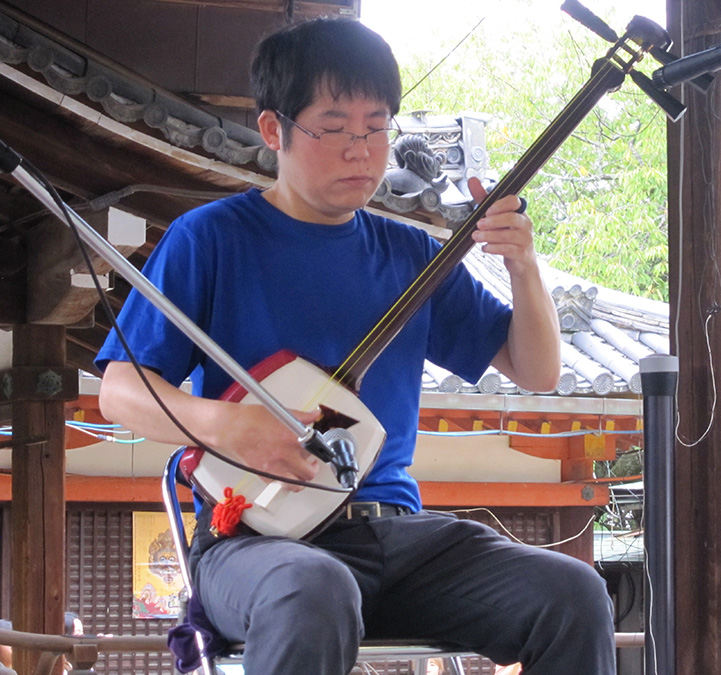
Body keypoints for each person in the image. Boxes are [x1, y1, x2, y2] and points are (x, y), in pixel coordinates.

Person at [96, 17, 615, 675]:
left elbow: (537, 370)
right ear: (273, 130)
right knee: (314, 586)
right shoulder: (210, 239)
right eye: (334, 127)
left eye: (376, 128)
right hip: (257, 543)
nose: (360, 151)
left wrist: (522, 263)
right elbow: (119, 389)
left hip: (401, 535)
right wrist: (227, 424)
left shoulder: (410, 254)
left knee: (571, 593)